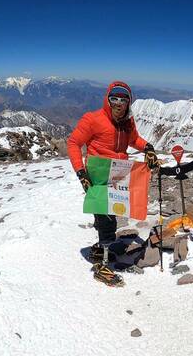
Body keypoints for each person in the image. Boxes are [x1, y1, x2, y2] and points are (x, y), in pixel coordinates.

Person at [67, 81, 158, 286]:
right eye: (114, 98)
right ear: (108, 100)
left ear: (128, 102)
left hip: (118, 176)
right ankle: (101, 266)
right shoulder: (92, 119)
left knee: (111, 216)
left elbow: (134, 140)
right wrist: (81, 172)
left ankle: (102, 253)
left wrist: (148, 147)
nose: (118, 103)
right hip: (97, 176)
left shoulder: (128, 122)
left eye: (123, 99)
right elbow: (73, 143)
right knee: (105, 220)